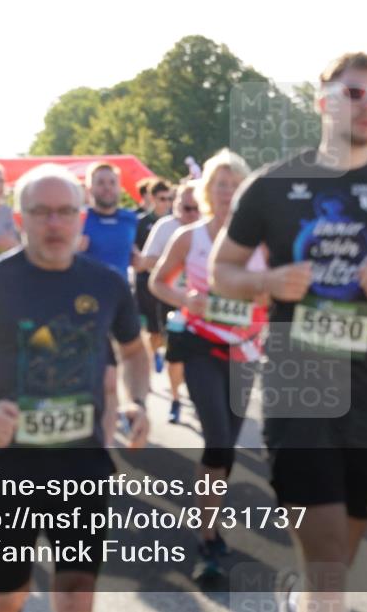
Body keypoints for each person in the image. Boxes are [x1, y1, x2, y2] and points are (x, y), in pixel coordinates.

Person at [210, 52, 367, 612]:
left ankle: (307, 599)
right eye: (353, 92)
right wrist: (271, 278)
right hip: (297, 380)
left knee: (339, 550)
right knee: (327, 563)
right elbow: (220, 273)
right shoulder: (271, 185)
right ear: (322, 99)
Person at [0, 164, 151, 612]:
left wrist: (136, 401)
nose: (54, 223)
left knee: (76, 593)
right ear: (19, 218)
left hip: (83, 463)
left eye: (65, 212)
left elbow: (135, 352)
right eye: (41, 212)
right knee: (6, 594)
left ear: (80, 217)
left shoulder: (105, 284)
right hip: (12, 464)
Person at [149, 150, 268, 579]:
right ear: (206, 191)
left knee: (226, 447)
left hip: (245, 351)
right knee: (217, 438)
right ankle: (207, 535)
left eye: (235, 184)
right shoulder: (190, 236)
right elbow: (157, 281)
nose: (227, 191)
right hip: (201, 345)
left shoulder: (261, 243)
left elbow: (277, 292)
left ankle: (208, 517)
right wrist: (186, 299)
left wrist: (263, 297)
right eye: (220, 183)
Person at [141, 182, 201, 423]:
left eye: (198, 208)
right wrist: (172, 260)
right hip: (170, 299)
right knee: (174, 356)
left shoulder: (211, 227)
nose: (193, 214)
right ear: (176, 206)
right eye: (187, 208)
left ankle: (197, 396)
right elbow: (145, 261)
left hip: (201, 304)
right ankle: (176, 399)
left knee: (197, 356)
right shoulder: (165, 227)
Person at [134, 179, 173, 374]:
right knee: (153, 329)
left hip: (171, 283)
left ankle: (171, 360)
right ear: (152, 198)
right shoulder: (141, 222)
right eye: (162, 199)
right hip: (146, 282)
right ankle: (154, 355)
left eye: (169, 199)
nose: (166, 203)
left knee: (170, 326)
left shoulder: (177, 222)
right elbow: (133, 250)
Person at [79, 162, 139, 281]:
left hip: (121, 294)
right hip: (86, 295)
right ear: (89, 187)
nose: (107, 187)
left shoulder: (130, 218)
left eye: (112, 182)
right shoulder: (78, 218)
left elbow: (135, 256)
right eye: (100, 183)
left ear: (119, 186)